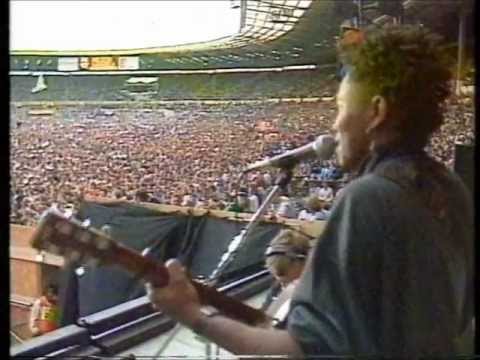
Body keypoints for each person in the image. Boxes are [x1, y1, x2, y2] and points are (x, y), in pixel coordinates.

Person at [146, 25, 473, 357]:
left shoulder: (368, 197)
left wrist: (190, 314)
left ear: (376, 112)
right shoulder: (450, 186)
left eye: (341, 107)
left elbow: (295, 349)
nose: (335, 124)